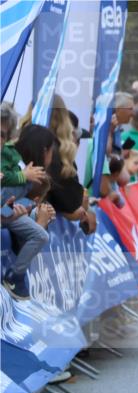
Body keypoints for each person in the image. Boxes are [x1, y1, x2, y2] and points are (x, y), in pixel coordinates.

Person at [1, 112, 51, 299]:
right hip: (4, 212)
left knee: (40, 235)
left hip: (6, 211)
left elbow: (9, 200)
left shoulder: (12, 155)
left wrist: (31, 209)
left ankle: (15, 276)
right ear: (45, 151)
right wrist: (24, 176)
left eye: (3, 135)